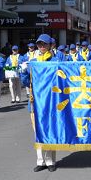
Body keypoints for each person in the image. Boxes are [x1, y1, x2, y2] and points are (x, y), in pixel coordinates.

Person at [31, 34, 59, 172]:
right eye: (39, 44)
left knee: (50, 129)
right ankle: (40, 161)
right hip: (36, 101)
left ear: (50, 45)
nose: (41, 47)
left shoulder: (55, 60)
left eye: (44, 44)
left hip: (51, 100)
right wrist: (24, 71)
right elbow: (26, 81)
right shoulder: (34, 61)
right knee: (38, 131)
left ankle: (50, 161)